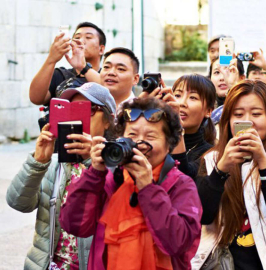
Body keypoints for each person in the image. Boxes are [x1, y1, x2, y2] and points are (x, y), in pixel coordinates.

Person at [59, 97, 202, 270]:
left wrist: (148, 188)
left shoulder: (181, 185)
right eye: (132, 135)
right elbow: (74, 225)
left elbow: (179, 244)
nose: (139, 144)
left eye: (150, 136)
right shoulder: (109, 180)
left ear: (168, 145)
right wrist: (95, 174)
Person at [191, 80, 266, 270]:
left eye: (256, 114)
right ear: (228, 121)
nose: (248, 121)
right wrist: (221, 169)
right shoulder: (211, 160)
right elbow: (202, 215)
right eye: (238, 114)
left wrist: (263, 161)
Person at [7, 83, 116, 270]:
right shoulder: (57, 164)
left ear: (109, 120)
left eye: (88, 110)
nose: (79, 118)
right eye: (72, 110)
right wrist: (38, 161)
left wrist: (93, 160)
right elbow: (18, 202)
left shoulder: (117, 165)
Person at [29, 22, 106, 106]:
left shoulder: (107, 76)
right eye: (77, 37)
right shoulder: (60, 74)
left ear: (101, 49)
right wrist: (51, 60)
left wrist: (83, 68)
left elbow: (111, 95)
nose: (80, 40)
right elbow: (36, 98)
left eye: (88, 37)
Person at [170, 74, 217, 178]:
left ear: (209, 111)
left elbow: (182, 178)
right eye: (177, 96)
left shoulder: (211, 154)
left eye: (193, 97)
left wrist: (176, 127)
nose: (181, 103)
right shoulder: (157, 143)